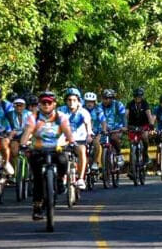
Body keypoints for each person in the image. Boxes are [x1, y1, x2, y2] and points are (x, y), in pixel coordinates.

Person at [20, 91, 75, 221]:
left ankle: (60, 180)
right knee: (38, 177)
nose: (46, 105)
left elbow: (67, 131)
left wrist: (72, 142)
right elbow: (27, 132)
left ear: (54, 104)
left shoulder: (61, 117)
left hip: (57, 149)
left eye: (49, 102)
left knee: (63, 160)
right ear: (39, 104)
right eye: (43, 103)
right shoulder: (33, 117)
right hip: (38, 150)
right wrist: (23, 144)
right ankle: (37, 207)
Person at [58, 87, 93, 189]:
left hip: (79, 140)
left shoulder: (84, 112)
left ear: (78, 101)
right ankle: (61, 176)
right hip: (64, 140)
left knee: (82, 151)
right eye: (69, 100)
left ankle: (81, 179)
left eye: (74, 100)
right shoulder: (61, 110)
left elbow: (88, 124)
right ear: (66, 101)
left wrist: (89, 134)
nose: (71, 102)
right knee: (58, 155)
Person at [126, 87, 154, 166]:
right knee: (132, 143)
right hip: (132, 125)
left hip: (143, 124)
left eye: (139, 97)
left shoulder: (145, 103)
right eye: (136, 96)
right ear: (134, 97)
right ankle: (132, 167)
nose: (138, 98)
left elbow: (149, 115)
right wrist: (125, 126)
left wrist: (151, 126)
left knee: (145, 137)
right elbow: (126, 115)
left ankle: (145, 154)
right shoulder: (130, 104)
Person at [100, 89, 126, 164]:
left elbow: (123, 116)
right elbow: (99, 118)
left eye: (109, 98)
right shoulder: (99, 106)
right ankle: (105, 168)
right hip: (104, 128)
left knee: (114, 138)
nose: (107, 100)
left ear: (112, 98)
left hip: (117, 128)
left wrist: (125, 126)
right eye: (105, 98)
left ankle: (119, 154)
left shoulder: (118, 105)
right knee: (101, 143)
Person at [84, 92, 108, 172]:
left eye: (91, 102)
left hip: (97, 132)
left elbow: (103, 121)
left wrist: (104, 130)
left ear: (94, 102)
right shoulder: (81, 109)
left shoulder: (98, 110)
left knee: (96, 143)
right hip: (84, 133)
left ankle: (95, 162)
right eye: (87, 101)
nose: (89, 103)